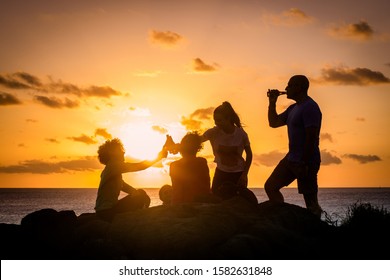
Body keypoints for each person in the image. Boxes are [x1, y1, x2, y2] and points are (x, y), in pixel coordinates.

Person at [265, 74, 323, 218]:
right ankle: (282, 218)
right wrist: (272, 103)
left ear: (299, 87)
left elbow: (312, 137)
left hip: (306, 161)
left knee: (311, 203)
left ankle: (317, 233)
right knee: (271, 187)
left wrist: (304, 163)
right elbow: (274, 123)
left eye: (290, 85)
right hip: (291, 159)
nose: (286, 88)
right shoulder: (293, 108)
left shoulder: (310, 107)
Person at [95, 138, 167, 221]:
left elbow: (123, 186)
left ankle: (141, 215)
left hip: (104, 211)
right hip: (107, 212)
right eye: (120, 150)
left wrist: (136, 192)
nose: (123, 152)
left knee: (140, 194)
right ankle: (143, 218)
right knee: (142, 196)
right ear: (112, 153)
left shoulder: (110, 169)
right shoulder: (113, 165)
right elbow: (140, 166)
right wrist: (159, 157)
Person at [201, 101, 257, 204]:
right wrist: (176, 145)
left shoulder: (241, 134)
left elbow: (249, 154)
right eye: (215, 120)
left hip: (238, 174)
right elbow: (196, 141)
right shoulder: (213, 133)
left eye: (219, 120)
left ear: (228, 119)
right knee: (216, 202)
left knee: (238, 203)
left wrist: (244, 175)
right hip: (221, 173)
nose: (216, 123)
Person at [169, 132, 212, 204]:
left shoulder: (174, 165)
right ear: (198, 148)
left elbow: (177, 191)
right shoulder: (202, 162)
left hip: (183, 203)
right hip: (202, 201)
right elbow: (206, 186)